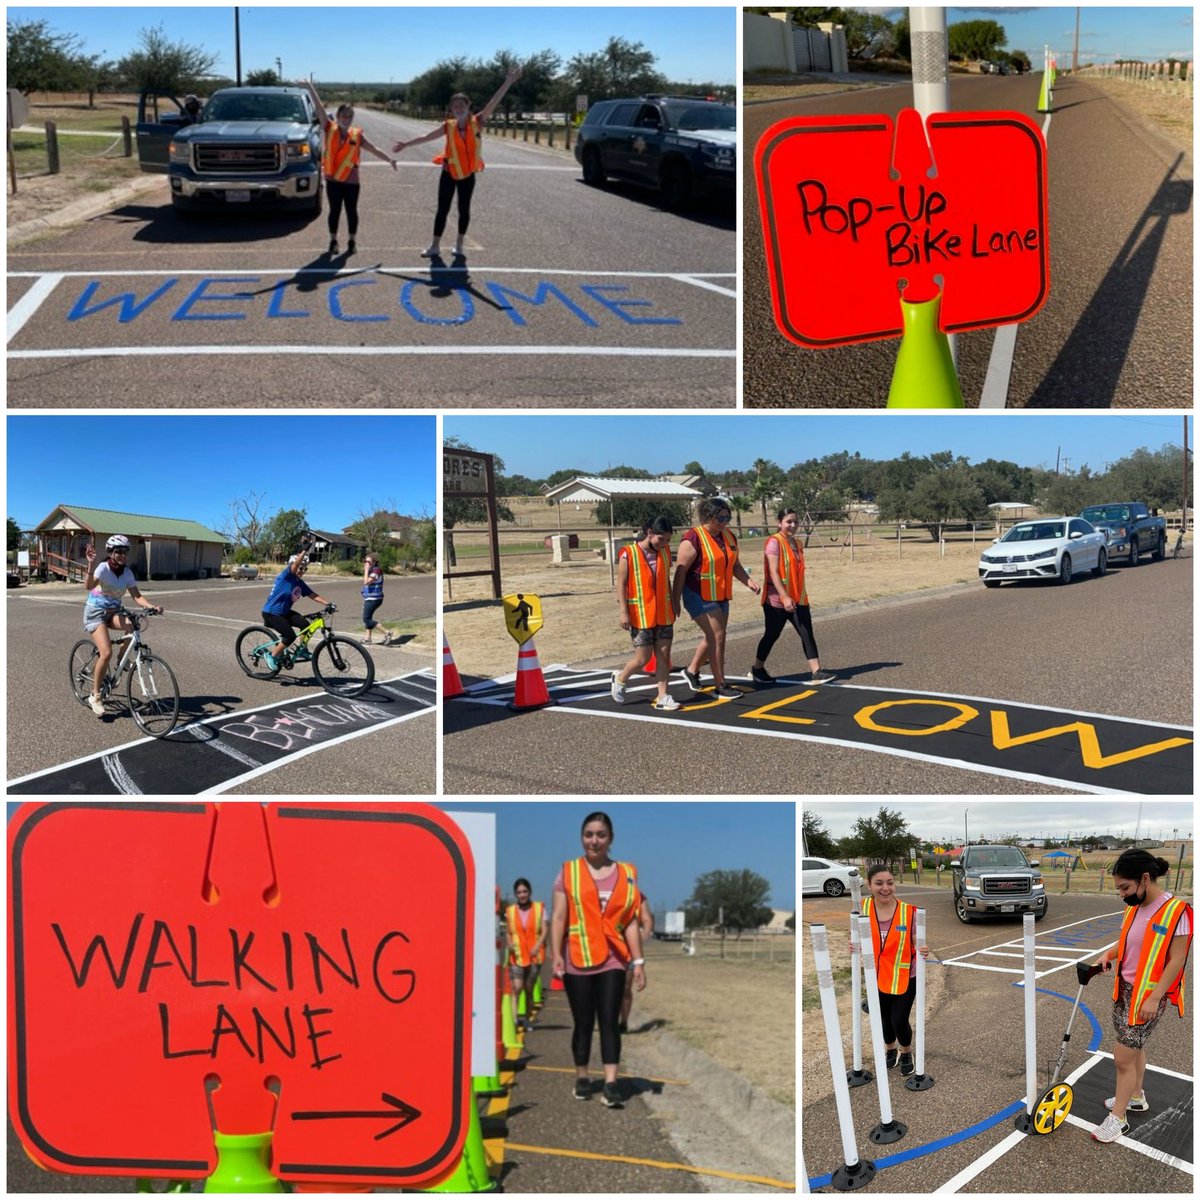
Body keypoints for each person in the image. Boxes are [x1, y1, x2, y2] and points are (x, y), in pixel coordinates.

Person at [1088, 849, 1192, 1144]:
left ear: (1145, 879)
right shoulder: (1133, 908)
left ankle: (1117, 1119)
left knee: (1123, 1057)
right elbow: (1128, 943)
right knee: (1134, 1050)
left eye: (1125, 887)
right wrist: (1108, 953)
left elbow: (1176, 961)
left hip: (1148, 998)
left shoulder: (1177, 913)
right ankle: (1135, 1097)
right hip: (1124, 990)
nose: (1122, 895)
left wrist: (1155, 997)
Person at [551, 811, 646, 1108]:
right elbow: (558, 917)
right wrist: (556, 954)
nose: (594, 841)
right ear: (582, 837)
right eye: (589, 834)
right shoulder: (568, 872)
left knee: (609, 1021)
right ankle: (582, 1076)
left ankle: (610, 1083)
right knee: (583, 1023)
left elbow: (630, 922)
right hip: (577, 957)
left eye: (601, 835)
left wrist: (639, 962)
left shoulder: (627, 873)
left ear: (611, 839)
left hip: (613, 960)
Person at [391, 66, 522, 259]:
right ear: (451, 110)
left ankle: (459, 244)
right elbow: (427, 136)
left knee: (464, 209)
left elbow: (494, 102)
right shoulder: (449, 126)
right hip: (449, 173)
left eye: (462, 105)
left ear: (468, 107)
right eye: (455, 106)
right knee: (442, 209)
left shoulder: (477, 121)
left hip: (468, 175)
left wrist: (508, 82)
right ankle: (435, 245)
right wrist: (406, 144)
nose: (458, 109)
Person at [670, 497, 760, 699]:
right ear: (708, 517)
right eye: (720, 517)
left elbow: (735, 564)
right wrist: (675, 600)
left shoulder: (728, 536)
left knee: (714, 637)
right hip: (698, 594)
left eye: (727, 516)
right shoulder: (693, 538)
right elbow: (681, 572)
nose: (724, 521)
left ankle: (691, 671)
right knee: (718, 637)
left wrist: (749, 582)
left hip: (720, 594)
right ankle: (721, 684)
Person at [298, 79, 397, 256]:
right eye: (343, 116)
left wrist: (389, 159)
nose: (346, 119)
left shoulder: (357, 135)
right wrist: (309, 87)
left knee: (352, 211)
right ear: (337, 116)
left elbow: (374, 148)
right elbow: (319, 107)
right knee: (334, 211)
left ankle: (352, 241)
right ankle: (333, 240)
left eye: (350, 116)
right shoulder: (329, 128)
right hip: (333, 180)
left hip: (352, 181)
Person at [857, 864, 929, 1077]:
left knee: (898, 1018)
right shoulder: (863, 907)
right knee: (883, 1019)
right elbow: (859, 936)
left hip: (905, 974)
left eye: (890, 883)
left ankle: (906, 1052)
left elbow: (917, 940)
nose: (885, 888)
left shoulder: (909, 911)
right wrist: (854, 945)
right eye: (879, 883)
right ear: (869, 885)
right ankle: (890, 1050)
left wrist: (923, 948)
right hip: (877, 975)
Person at [82, 536, 164, 717]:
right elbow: (88, 586)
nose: (122, 555)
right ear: (110, 553)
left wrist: (151, 607)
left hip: (113, 611)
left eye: (125, 551)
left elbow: (137, 595)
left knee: (132, 625)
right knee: (105, 653)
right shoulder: (103, 568)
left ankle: (121, 660)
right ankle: (95, 696)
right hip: (95, 613)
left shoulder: (127, 573)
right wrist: (90, 564)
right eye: (118, 551)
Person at [751, 508, 835, 686]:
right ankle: (758, 668)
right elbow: (773, 572)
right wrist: (784, 596)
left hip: (798, 598)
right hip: (776, 601)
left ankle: (816, 671)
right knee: (772, 635)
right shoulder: (774, 542)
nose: (793, 525)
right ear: (780, 523)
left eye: (795, 522)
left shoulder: (797, 544)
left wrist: (796, 597)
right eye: (788, 521)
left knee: (806, 633)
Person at [611, 517, 679, 712]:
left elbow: (666, 578)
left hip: (664, 613)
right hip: (640, 614)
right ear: (649, 533)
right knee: (643, 658)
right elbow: (621, 585)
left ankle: (663, 695)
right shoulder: (628, 553)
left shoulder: (665, 552)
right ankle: (621, 678)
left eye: (667, 540)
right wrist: (623, 612)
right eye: (661, 539)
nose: (664, 543)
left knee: (664, 655)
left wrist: (674, 602)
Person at [260, 552, 333, 670]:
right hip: (271, 612)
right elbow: (294, 566)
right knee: (290, 636)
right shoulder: (286, 576)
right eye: (300, 568)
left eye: (305, 569)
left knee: (304, 624)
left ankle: (303, 649)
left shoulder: (299, 583)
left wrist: (328, 604)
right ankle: (271, 655)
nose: (302, 570)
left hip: (284, 612)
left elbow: (312, 595)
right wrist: (304, 551)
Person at [505, 878, 546, 1034]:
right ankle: (515, 1020)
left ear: (530, 892)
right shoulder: (510, 911)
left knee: (529, 990)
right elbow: (509, 932)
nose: (522, 895)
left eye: (524, 891)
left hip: (535, 956)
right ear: (515, 894)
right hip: (517, 955)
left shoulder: (539, 908)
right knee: (516, 987)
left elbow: (545, 930)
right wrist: (509, 944)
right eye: (519, 892)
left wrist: (538, 945)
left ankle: (528, 1019)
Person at [619, 891, 655, 1034]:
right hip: (607, 948)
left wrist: (644, 934)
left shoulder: (638, 896)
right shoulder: (604, 890)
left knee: (625, 988)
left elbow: (646, 917)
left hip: (629, 950)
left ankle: (623, 1022)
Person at [361, 554, 391, 646]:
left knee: (366, 619)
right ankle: (367, 639)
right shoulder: (372, 570)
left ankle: (387, 632)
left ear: (374, 562)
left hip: (375, 598)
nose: (367, 564)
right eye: (365, 561)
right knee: (368, 617)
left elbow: (366, 582)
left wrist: (366, 571)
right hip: (370, 597)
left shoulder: (376, 571)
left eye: (369, 562)